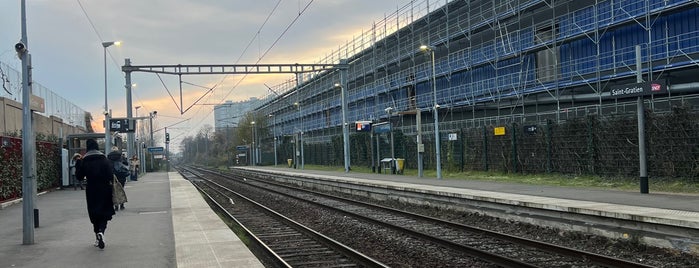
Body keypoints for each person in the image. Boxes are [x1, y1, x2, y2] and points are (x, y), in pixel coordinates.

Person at [75, 139, 114, 250]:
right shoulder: (104, 159)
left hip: (91, 189)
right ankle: (101, 231)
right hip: (105, 189)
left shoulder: (84, 161)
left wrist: (78, 163)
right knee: (104, 213)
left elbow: (79, 177)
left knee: (94, 213)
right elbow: (110, 175)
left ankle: (97, 236)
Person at [108, 147, 128, 211]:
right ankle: (122, 205)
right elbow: (126, 164)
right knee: (121, 190)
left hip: (112, 176)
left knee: (113, 191)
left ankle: (115, 206)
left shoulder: (108, 157)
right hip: (121, 175)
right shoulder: (121, 157)